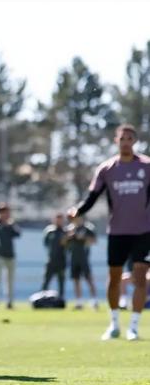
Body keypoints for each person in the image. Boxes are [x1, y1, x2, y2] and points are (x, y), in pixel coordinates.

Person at [68, 124, 150, 341]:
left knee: (140, 278)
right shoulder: (107, 169)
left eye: (130, 138)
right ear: (116, 140)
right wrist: (78, 210)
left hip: (144, 232)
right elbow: (92, 197)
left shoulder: (147, 166)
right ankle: (114, 324)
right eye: (122, 138)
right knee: (114, 278)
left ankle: (133, 327)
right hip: (117, 232)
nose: (126, 142)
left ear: (135, 141)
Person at [0, 203, 21, 310]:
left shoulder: (10, 224)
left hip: (10, 255)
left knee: (10, 280)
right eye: (4, 212)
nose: (6, 214)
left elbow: (17, 234)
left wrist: (11, 224)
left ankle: (9, 303)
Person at [66, 215, 98, 310]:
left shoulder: (87, 228)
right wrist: (69, 236)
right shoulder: (70, 228)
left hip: (84, 257)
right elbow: (65, 242)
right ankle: (79, 301)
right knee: (76, 280)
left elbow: (94, 241)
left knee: (89, 279)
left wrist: (83, 238)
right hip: (73, 257)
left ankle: (94, 300)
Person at [41, 213, 68, 298]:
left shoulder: (65, 232)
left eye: (60, 219)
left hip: (62, 260)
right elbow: (45, 244)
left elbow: (68, 246)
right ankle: (42, 298)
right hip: (51, 260)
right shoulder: (49, 231)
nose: (59, 221)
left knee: (61, 281)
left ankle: (61, 298)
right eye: (57, 219)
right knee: (46, 280)